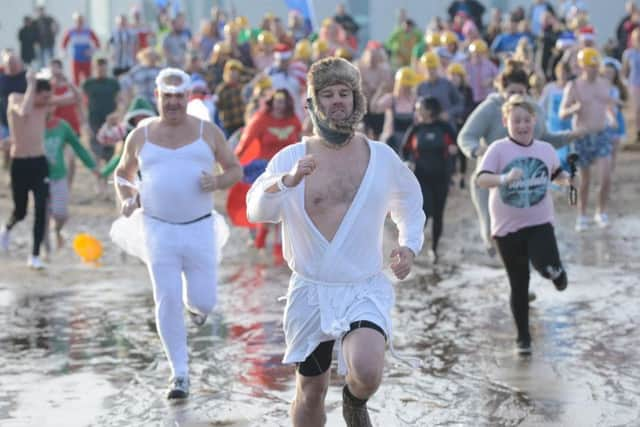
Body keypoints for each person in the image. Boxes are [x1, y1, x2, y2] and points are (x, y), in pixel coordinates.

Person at [246, 57, 425, 427]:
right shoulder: (293, 157)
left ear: (357, 100)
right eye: (328, 94)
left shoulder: (381, 157)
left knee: (367, 370)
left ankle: (355, 401)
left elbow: (408, 203)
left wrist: (409, 246)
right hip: (310, 290)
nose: (338, 100)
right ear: (312, 104)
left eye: (345, 93)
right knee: (311, 389)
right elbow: (256, 210)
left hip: (363, 285)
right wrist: (287, 182)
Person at [112, 68, 242, 399]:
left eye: (178, 97)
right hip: (157, 228)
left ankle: (195, 307)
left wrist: (218, 181)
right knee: (165, 297)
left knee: (204, 301)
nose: (172, 103)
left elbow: (235, 169)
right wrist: (127, 198)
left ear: (187, 98)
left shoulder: (207, 131)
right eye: (166, 97)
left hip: (199, 228)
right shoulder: (140, 135)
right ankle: (179, 374)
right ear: (157, 97)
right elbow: (122, 173)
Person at [476, 95, 572, 354]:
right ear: (506, 121)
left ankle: (557, 273)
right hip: (506, 228)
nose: (522, 126)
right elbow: (482, 179)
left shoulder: (545, 150)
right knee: (519, 283)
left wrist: (565, 179)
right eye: (516, 121)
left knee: (545, 265)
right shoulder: (498, 149)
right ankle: (523, 339)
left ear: (535, 121)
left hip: (540, 222)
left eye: (526, 120)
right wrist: (505, 177)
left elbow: (556, 173)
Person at [458, 60, 575, 258]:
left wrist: (570, 135)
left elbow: (544, 138)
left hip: (523, 180)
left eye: (520, 92)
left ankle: (520, 277)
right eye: (511, 92)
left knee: (521, 230)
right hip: (489, 180)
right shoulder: (490, 108)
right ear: (502, 90)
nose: (516, 97)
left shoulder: (534, 109)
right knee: (491, 232)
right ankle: (497, 252)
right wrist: (478, 150)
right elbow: (465, 137)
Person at [230, 89, 302, 262]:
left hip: (289, 170)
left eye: (283, 102)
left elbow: (301, 143)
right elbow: (243, 144)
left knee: (285, 210)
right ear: (271, 102)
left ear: (287, 104)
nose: (280, 105)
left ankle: (279, 249)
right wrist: (232, 165)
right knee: (268, 210)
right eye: (277, 101)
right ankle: (260, 245)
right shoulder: (260, 120)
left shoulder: (293, 120)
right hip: (266, 171)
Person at [559, 48, 615, 231]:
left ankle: (602, 212)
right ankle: (582, 215)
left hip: (601, 134)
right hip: (582, 135)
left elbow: (606, 105)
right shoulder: (573, 86)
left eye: (595, 66)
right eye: (589, 66)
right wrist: (573, 108)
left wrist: (612, 118)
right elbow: (562, 113)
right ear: (582, 66)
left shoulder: (604, 83)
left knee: (606, 176)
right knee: (584, 180)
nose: (592, 69)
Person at [1, 70, 51, 269]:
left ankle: (34, 255)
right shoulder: (15, 98)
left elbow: (70, 98)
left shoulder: (44, 104)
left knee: (41, 209)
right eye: (44, 96)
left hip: (39, 163)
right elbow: (24, 112)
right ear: (35, 92)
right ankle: (6, 229)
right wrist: (31, 84)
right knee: (21, 211)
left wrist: (62, 81)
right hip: (20, 164)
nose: (47, 100)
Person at [402, 97, 457, 263]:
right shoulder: (415, 129)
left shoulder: (445, 128)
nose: (416, 111)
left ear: (430, 110)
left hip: (442, 177)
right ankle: (414, 246)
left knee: (439, 214)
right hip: (421, 178)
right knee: (426, 210)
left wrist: (457, 173)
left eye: (420, 108)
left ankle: (434, 249)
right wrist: (407, 163)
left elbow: (456, 150)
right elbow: (404, 150)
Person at [43, 104, 99, 250]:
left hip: (59, 176)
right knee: (43, 215)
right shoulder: (32, 125)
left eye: (49, 104)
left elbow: (78, 147)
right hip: (38, 177)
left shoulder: (62, 126)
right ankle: (44, 250)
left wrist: (92, 166)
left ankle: (56, 230)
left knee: (61, 214)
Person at [61, 12, 101, 85]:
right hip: (75, 59)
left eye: (81, 20)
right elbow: (63, 44)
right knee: (76, 80)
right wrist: (65, 53)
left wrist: (91, 51)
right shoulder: (71, 31)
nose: (79, 22)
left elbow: (98, 44)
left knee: (88, 80)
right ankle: (77, 95)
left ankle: (88, 96)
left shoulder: (88, 31)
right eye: (78, 21)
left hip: (86, 59)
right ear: (75, 21)